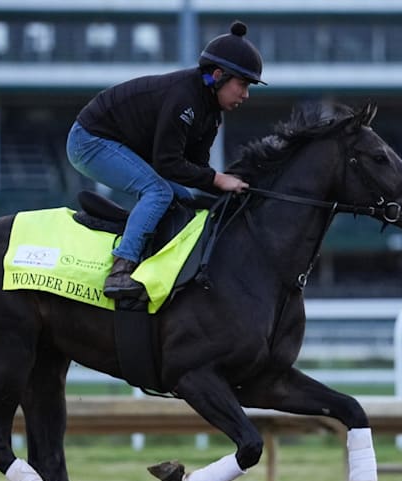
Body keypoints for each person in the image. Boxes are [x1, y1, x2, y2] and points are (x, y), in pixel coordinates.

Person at [66, 21, 265, 299]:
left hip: (125, 144)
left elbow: (195, 169)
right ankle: (121, 269)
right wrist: (219, 180)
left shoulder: (211, 114)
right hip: (89, 140)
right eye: (242, 84)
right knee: (158, 191)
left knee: (182, 197)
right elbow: (168, 165)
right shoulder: (184, 99)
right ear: (218, 75)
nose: (246, 95)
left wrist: (233, 190)